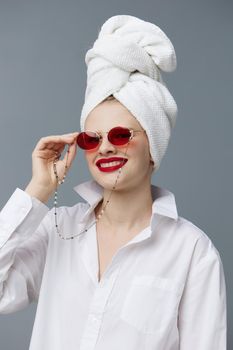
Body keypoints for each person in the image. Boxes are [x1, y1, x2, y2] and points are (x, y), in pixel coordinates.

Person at [0, 15, 226, 350]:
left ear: (153, 147)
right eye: (92, 139)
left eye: (122, 135)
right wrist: (38, 191)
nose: (105, 146)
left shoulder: (192, 251)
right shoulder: (57, 228)